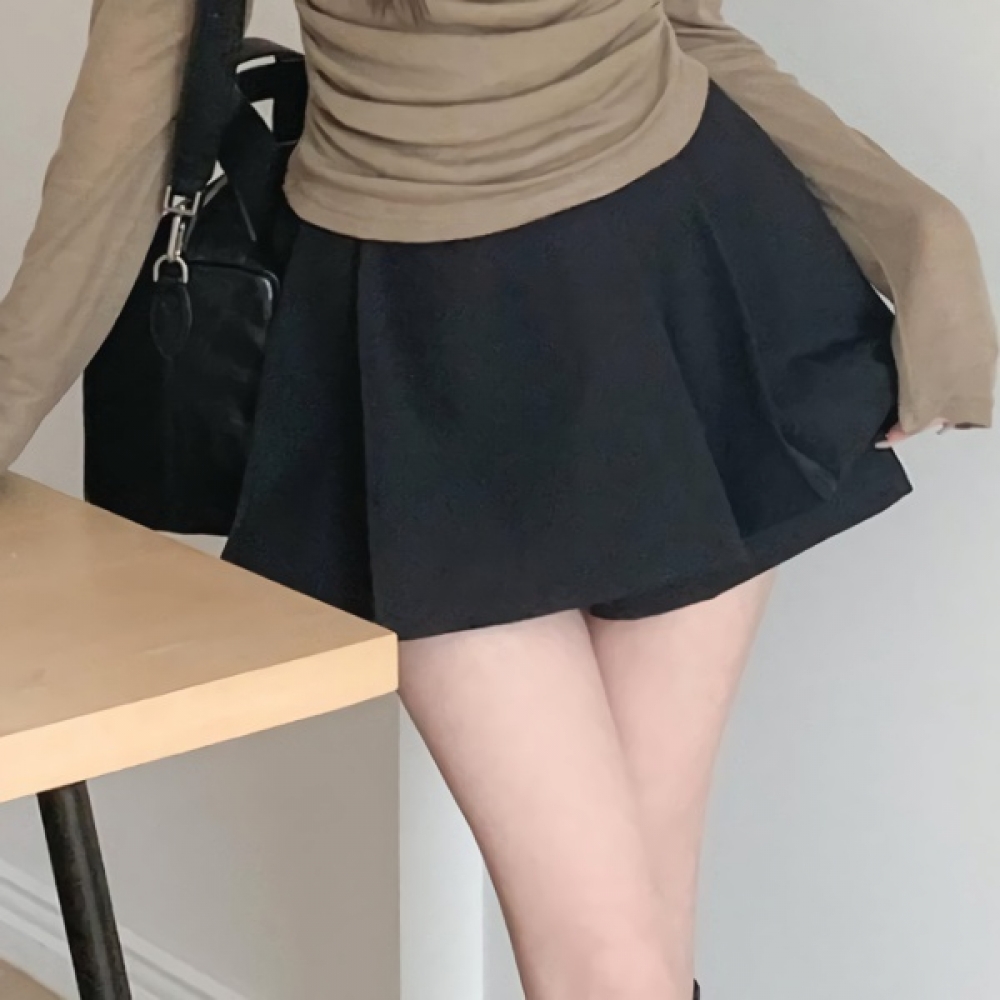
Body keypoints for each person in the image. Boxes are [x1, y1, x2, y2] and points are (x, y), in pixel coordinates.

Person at [0, 1, 996, 997]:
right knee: (610, 959)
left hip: (674, 287)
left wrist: (919, 237)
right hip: (421, 354)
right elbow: (129, 130)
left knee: (638, 937)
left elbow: (688, 30)